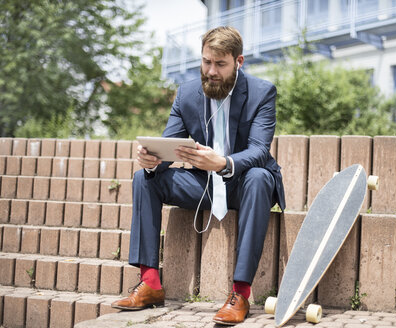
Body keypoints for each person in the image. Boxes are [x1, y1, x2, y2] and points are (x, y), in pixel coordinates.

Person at [111, 26, 285, 325]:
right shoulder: (188, 93)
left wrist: (222, 162)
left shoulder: (262, 92)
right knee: (145, 178)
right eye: (206, 62)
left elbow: (258, 150)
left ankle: (240, 293)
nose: (211, 71)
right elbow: (171, 146)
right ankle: (150, 283)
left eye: (220, 64)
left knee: (259, 176)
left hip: (244, 184)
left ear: (238, 62)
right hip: (203, 185)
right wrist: (152, 160)